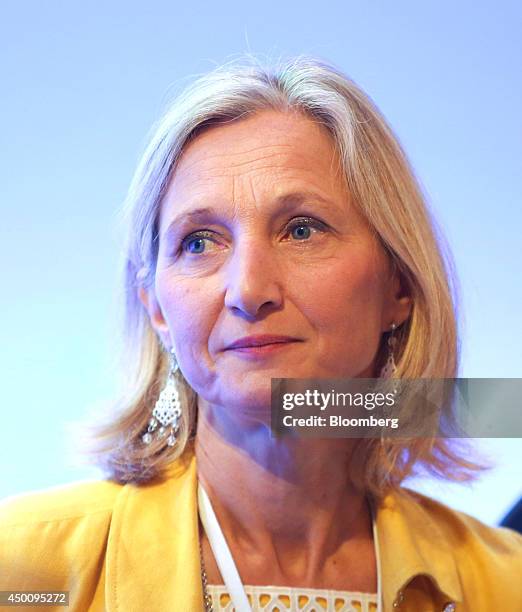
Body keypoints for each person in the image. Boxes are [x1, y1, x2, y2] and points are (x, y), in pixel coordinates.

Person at [1, 56, 521, 612]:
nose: (248, 289)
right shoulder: (25, 565)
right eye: (199, 242)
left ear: (398, 286)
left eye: (301, 230)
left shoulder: (506, 582)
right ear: (155, 307)